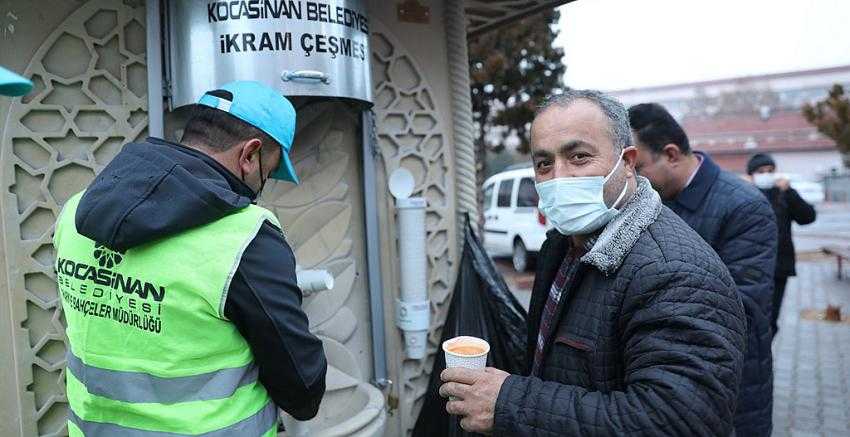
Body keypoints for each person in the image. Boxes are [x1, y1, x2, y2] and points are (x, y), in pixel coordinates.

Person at [439, 90, 746, 436]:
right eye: (544, 163)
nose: (558, 177)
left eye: (579, 157)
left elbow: (677, 422)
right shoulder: (563, 245)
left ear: (627, 163)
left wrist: (510, 403)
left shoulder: (675, 271)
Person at [54, 81, 327, 436]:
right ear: (249, 155)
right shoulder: (245, 238)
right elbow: (302, 390)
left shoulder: (75, 211)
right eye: (270, 170)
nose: (264, 183)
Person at [628, 102, 777, 437]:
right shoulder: (649, 202)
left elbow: (746, 307)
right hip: (664, 379)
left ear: (670, 154)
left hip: (729, 385)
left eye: (638, 168)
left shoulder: (744, 207)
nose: (632, 179)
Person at [748, 153, 817, 335]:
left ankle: (763, 360)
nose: (766, 174)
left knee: (771, 321)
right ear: (752, 174)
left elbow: (808, 217)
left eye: (770, 171)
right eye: (761, 171)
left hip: (780, 266)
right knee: (753, 319)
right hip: (751, 268)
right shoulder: (744, 194)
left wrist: (790, 191)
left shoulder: (783, 194)